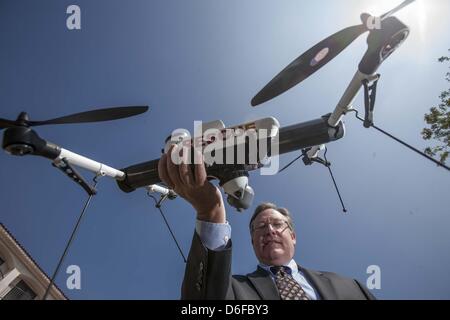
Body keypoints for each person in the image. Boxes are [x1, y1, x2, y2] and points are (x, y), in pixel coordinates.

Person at [158, 145, 376, 300]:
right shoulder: (234, 291)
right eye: (260, 227)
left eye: (277, 224)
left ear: (293, 236)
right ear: (253, 242)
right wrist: (210, 212)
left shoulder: (351, 287)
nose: (269, 230)